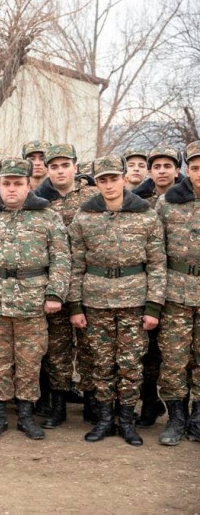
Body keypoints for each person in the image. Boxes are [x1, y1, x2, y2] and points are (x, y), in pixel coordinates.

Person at [0, 157, 70, 440]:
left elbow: (61, 258)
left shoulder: (47, 216)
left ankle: (26, 416)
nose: (11, 188)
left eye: (18, 183)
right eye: (6, 183)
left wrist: (55, 293)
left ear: (28, 185)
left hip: (32, 300)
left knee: (30, 361)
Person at [68, 155, 166, 446]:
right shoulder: (84, 216)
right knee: (101, 364)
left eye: (114, 178)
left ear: (124, 179)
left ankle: (126, 421)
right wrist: (75, 306)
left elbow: (157, 264)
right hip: (95, 301)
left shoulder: (146, 215)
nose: (109, 185)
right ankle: (104, 420)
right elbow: (75, 264)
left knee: (130, 364)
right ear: (96, 183)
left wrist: (153, 306)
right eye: (103, 180)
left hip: (134, 300)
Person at [33, 143, 99, 428]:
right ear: (48, 170)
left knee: (89, 344)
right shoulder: (38, 200)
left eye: (65, 165)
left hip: (88, 281)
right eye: (54, 166)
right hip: (54, 282)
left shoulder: (93, 195)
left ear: (76, 167)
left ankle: (92, 400)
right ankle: (57, 403)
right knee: (57, 347)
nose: (60, 171)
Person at [132, 145, 182, 427]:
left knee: (176, 351)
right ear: (150, 171)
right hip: (146, 282)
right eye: (157, 167)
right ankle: (149, 402)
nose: (162, 171)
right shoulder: (138, 199)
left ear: (177, 170)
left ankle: (182, 409)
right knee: (147, 349)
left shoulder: (186, 197)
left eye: (167, 166)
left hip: (178, 284)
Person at [154, 140, 200, 445]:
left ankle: (198, 417)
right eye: (195, 168)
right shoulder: (167, 203)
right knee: (173, 359)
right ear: (187, 170)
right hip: (175, 292)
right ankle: (176, 418)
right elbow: (156, 253)